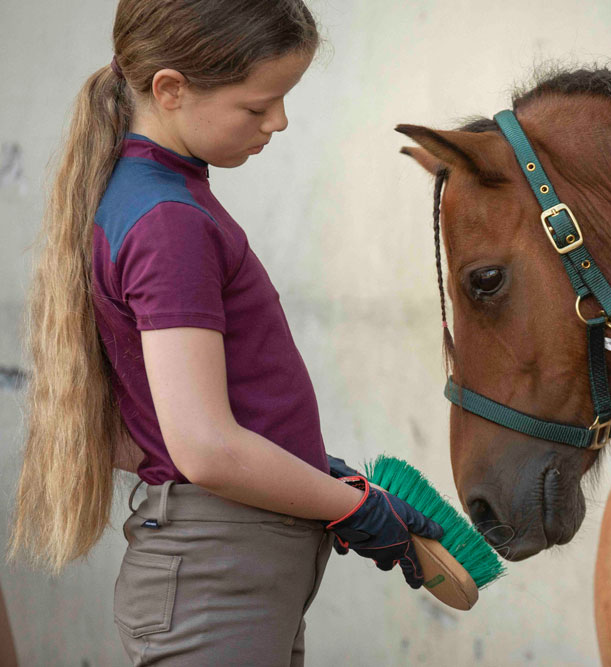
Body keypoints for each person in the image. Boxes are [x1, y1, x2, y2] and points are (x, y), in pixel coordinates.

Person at [8, 1, 442, 664]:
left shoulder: (157, 196)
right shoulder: (168, 220)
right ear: (171, 90)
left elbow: (157, 424)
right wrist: (347, 506)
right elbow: (204, 448)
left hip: (227, 568)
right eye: (258, 106)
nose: (280, 121)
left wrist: (312, 473)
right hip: (218, 572)